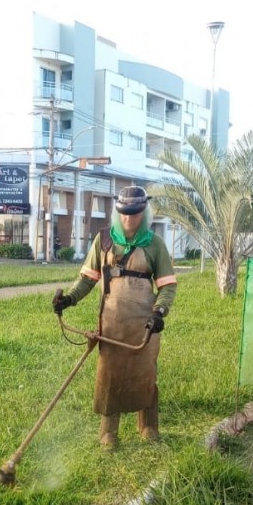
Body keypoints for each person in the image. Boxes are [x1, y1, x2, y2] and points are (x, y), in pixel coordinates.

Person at [51, 186, 176, 447]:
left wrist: (160, 312)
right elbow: (87, 279)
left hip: (145, 325)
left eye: (135, 214)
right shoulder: (104, 240)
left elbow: (167, 285)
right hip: (111, 322)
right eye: (124, 214)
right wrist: (69, 299)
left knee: (145, 374)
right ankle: (109, 432)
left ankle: (149, 426)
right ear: (117, 213)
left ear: (144, 213)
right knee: (110, 374)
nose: (129, 219)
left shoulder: (155, 245)